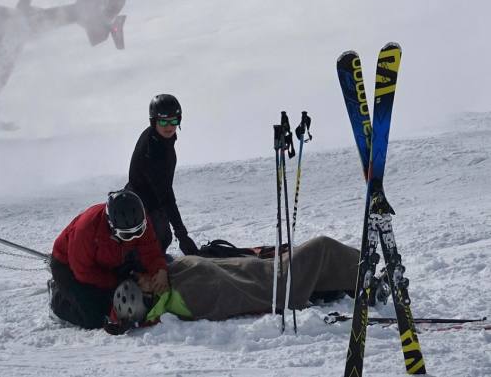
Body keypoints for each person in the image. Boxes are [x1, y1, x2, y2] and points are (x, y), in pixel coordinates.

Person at [106, 235, 364, 332]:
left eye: (138, 276)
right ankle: (367, 272)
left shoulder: (169, 283)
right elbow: (235, 294)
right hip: (271, 283)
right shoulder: (188, 297)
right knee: (321, 247)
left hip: (258, 268)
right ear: (149, 297)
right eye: (141, 282)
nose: (144, 276)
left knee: (309, 258)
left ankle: (357, 278)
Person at [49, 189, 169, 329]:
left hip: (112, 259)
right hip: (69, 265)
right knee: (94, 317)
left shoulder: (138, 218)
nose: (135, 237)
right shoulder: (86, 229)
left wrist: (160, 270)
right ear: (111, 226)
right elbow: (83, 272)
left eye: (139, 231)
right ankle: (58, 298)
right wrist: (118, 283)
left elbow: (150, 250)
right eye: (126, 235)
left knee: (138, 292)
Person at [125, 94, 198, 256]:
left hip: (149, 200)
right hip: (141, 206)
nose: (169, 126)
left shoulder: (160, 139)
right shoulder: (153, 149)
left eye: (174, 121)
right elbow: (165, 193)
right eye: (164, 121)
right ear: (154, 121)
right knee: (157, 240)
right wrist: (182, 234)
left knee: (163, 238)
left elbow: (164, 188)